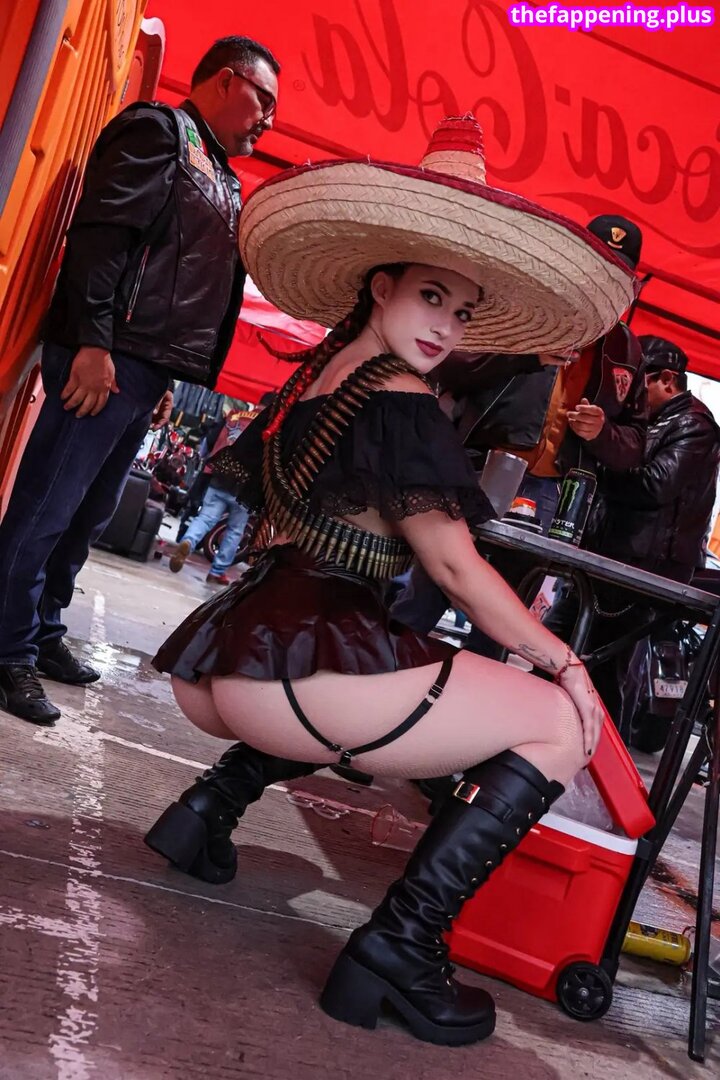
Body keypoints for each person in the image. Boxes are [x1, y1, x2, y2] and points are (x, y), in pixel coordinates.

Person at [143, 115, 634, 1046]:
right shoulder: (403, 400)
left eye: (463, 310)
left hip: (222, 659)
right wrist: (565, 662)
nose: (446, 325)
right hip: (291, 680)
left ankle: (209, 806)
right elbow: (453, 565)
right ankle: (400, 945)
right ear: (382, 285)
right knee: (557, 723)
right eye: (431, 297)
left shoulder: (323, 375)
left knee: (396, 667)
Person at [0, 36, 280, 725]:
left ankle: (40, 630)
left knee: (88, 514)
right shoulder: (159, 131)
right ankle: (6, 651)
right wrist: (94, 343)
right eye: (263, 99)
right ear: (224, 81)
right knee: (46, 509)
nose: (269, 119)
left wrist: (166, 376)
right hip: (109, 355)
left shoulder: (217, 169)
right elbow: (101, 238)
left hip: (145, 363)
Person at [437, 214, 647, 532]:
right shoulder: (528, 306)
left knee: (520, 566)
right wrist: (528, 356)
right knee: (446, 555)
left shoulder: (627, 348)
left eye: (617, 276)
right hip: (481, 464)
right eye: (599, 268)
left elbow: (636, 443)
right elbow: (453, 365)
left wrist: (602, 432)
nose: (605, 283)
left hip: (555, 491)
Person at [553, 334, 720, 734]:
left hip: (644, 569)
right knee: (572, 651)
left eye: (639, 381)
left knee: (601, 666)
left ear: (667, 379)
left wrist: (600, 461)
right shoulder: (649, 422)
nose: (630, 394)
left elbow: (655, 486)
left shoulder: (694, 425)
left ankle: (599, 755)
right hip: (614, 558)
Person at [167, 406, 258, 584]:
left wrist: (206, 462)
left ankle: (188, 542)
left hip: (219, 476)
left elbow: (209, 440)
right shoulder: (270, 424)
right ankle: (217, 572)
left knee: (205, 518)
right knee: (235, 530)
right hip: (244, 486)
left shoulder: (233, 415)